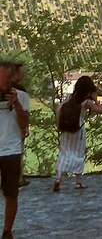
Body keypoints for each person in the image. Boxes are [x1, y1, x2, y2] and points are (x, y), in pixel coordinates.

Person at [52, 76, 102, 193]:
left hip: (65, 129)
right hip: (78, 130)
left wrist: (58, 125)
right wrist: (96, 100)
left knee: (63, 152)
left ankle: (58, 178)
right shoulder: (86, 102)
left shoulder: (70, 98)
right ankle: (78, 182)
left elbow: (58, 109)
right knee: (78, 153)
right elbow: (101, 110)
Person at [0, 58, 29, 239]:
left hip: (11, 150)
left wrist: (16, 104)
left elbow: (24, 123)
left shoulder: (22, 96)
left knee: (11, 194)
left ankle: (7, 231)